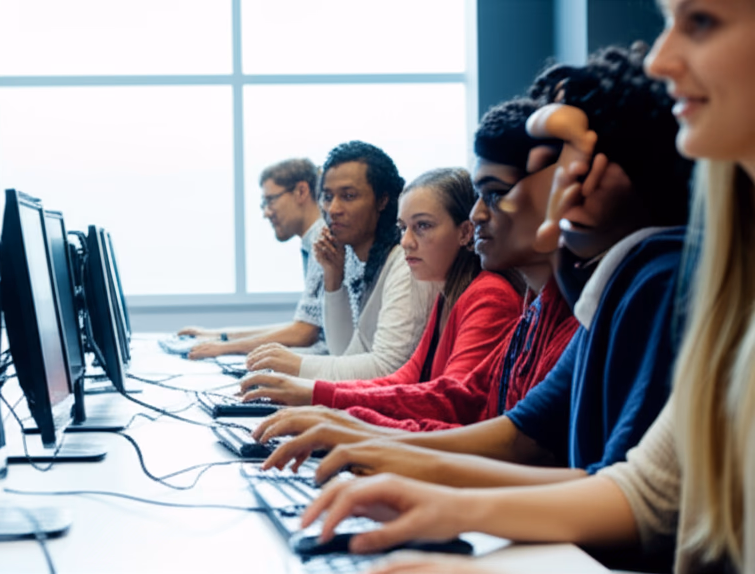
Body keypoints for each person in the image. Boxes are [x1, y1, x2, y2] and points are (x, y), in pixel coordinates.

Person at [300, 2, 755, 571]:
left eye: (702, 21)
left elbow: (626, 510)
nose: (662, 58)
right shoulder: (611, 290)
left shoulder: (656, 280)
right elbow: (637, 490)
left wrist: (387, 455)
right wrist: (427, 490)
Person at [257, 44, 693, 492]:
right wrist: (357, 432)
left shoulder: (651, 283)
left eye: (557, 169)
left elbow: (564, 468)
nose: (479, 214)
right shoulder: (555, 302)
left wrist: (371, 442)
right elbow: (508, 427)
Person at [238, 100, 571, 419]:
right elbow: (380, 370)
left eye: (422, 226)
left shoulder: (484, 293)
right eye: (403, 228)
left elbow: (450, 405)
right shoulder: (449, 294)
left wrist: (326, 405)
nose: (333, 209)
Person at [245, 141, 438, 380]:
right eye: (327, 197)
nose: (333, 208)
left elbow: (386, 368)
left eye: (348, 196)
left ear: (382, 200)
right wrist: (333, 278)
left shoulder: (404, 263)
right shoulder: (364, 261)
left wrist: (294, 365)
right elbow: (344, 353)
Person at [179, 158, 327, 359]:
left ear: (301, 191)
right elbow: (302, 325)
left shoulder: (323, 241)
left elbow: (304, 333)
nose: (266, 212)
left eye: (271, 200)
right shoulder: (311, 243)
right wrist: (219, 336)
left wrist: (225, 348)